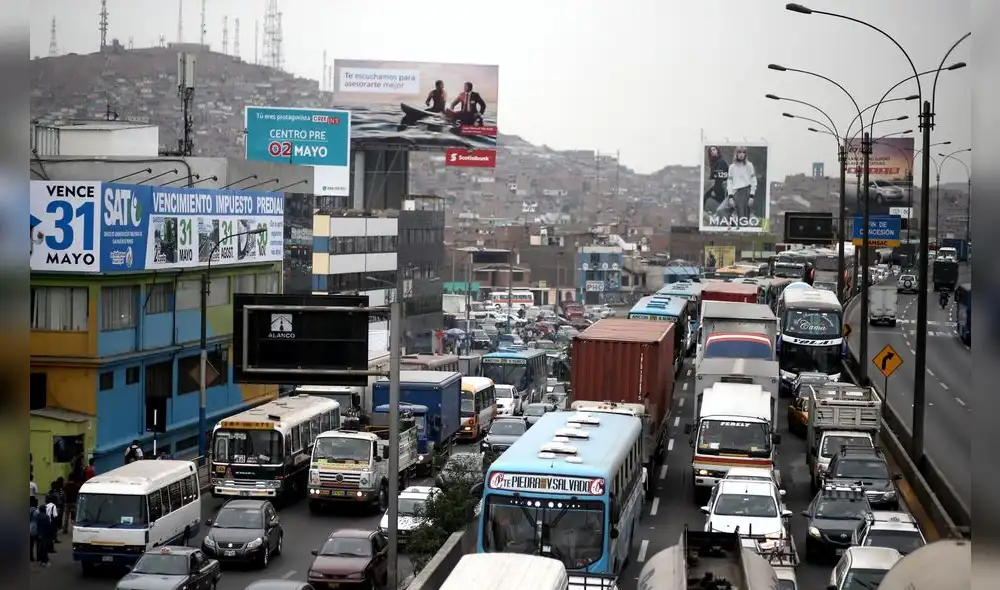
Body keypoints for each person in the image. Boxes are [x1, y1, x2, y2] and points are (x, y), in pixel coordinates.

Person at [726, 146, 758, 219]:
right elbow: (729, 182)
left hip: (745, 192)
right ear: (736, 154)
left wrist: (751, 196)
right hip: (734, 192)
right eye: (740, 152)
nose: (741, 154)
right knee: (721, 210)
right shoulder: (732, 167)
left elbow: (753, 181)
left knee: (742, 217)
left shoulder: (749, 165)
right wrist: (730, 197)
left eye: (743, 152)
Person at [703, 146, 729, 212]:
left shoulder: (721, 161)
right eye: (711, 151)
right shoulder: (714, 162)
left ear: (717, 151)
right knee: (706, 197)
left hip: (723, 185)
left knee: (719, 200)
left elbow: (720, 178)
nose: (712, 152)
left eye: (714, 150)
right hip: (718, 184)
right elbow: (713, 177)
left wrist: (715, 190)